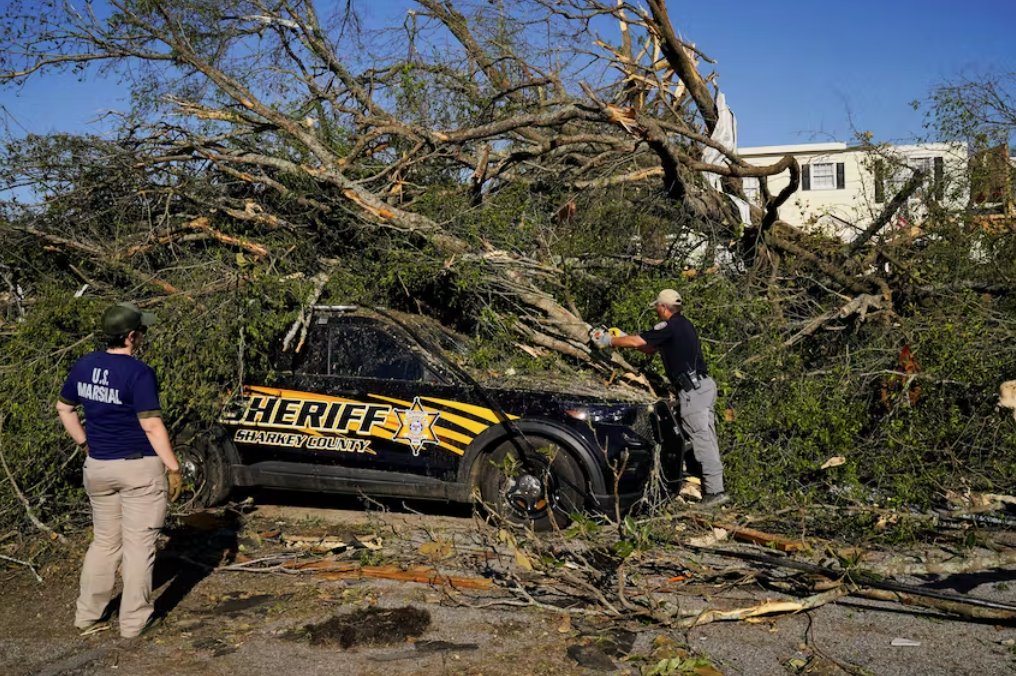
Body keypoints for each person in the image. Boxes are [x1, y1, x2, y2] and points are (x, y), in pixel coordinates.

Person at [56, 302, 183, 638]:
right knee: (139, 547)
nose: (143, 335)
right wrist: (173, 468)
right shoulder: (139, 372)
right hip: (138, 469)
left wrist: (84, 443)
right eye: (141, 330)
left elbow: (64, 408)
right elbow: (152, 425)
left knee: (105, 543)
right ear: (130, 336)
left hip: (98, 467)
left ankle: (87, 615)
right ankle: (133, 623)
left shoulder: (85, 365)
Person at [593, 289, 728, 508]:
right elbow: (647, 348)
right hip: (698, 388)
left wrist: (608, 340)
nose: (656, 310)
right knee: (701, 438)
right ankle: (710, 488)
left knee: (702, 439)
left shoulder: (671, 326)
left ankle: (715, 492)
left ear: (664, 308)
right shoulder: (681, 326)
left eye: (657, 306)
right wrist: (619, 338)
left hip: (694, 390)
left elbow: (638, 342)